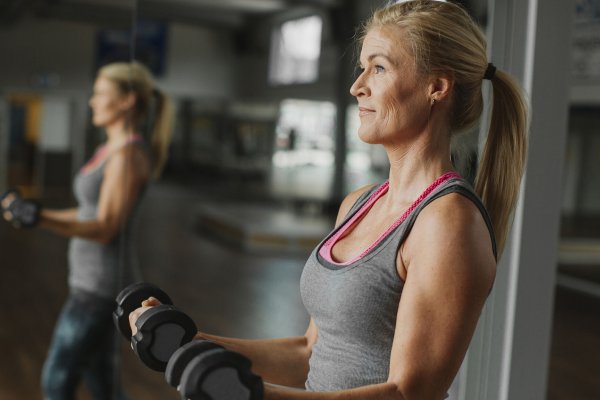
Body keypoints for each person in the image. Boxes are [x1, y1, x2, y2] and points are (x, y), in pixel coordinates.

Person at [130, 1, 528, 399]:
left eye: (379, 67)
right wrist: (192, 344)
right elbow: (309, 353)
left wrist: (250, 394)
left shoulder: (447, 222)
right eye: (362, 67)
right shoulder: (359, 204)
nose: (357, 86)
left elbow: (408, 393)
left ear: (436, 87)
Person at [4, 61, 173, 400]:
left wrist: (39, 219)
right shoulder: (107, 150)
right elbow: (88, 211)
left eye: (100, 94)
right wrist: (39, 210)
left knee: (57, 379)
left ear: (126, 101)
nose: (92, 101)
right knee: (103, 382)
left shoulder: (128, 157)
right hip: (90, 280)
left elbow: (105, 227)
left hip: (101, 287)